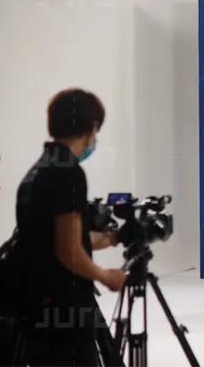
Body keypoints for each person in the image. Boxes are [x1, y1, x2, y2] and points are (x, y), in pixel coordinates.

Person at [15, 88, 126, 365]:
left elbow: (60, 237)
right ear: (92, 127)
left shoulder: (39, 170)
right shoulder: (68, 172)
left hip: (36, 307)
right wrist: (106, 276)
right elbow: (69, 251)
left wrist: (114, 238)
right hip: (66, 312)